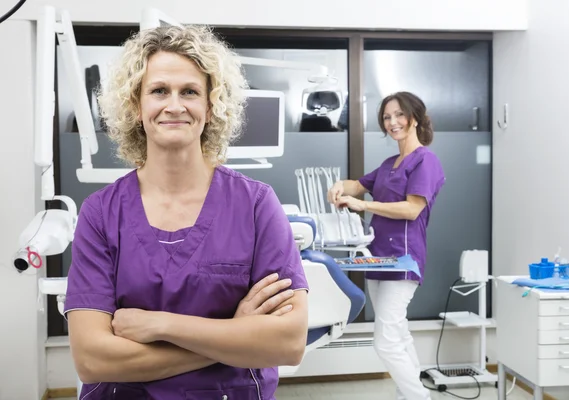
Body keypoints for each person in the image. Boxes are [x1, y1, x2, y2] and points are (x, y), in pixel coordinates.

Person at [63, 25, 309, 400]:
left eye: (190, 92)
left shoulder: (256, 205)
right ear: (136, 106)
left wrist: (161, 325)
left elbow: (288, 342)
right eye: (159, 90)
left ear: (211, 107)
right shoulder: (101, 213)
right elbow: (92, 359)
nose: (175, 105)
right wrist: (233, 333)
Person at [327, 92, 445, 400]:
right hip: (377, 259)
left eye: (399, 115)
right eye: (386, 117)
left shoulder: (426, 161)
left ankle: (419, 398)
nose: (392, 122)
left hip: (403, 260)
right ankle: (408, 395)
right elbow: (359, 185)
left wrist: (364, 206)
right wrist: (341, 186)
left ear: (414, 118)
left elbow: (412, 209)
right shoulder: (390, 163)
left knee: (386, 341)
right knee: (399, 333)